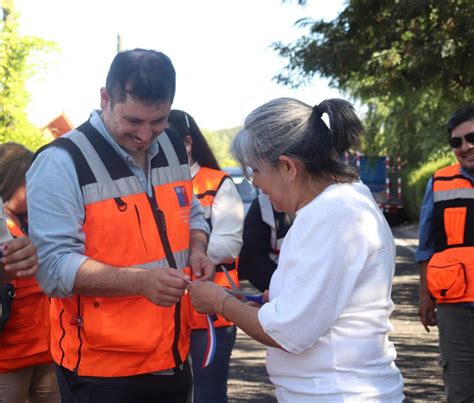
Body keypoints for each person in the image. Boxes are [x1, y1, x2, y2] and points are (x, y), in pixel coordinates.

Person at [26, 49, 214, 403]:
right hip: (101, 371)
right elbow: (52, 269)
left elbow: (191, 213)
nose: (145, 135)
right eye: (133, 121)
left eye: (157, 120)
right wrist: (142, 282)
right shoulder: (61, 162)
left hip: (173, 354)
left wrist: (199, 248)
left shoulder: (173, 146)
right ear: (105, 98)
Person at [188, 97, 405, 402]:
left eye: (255, 171)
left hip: (336, 392)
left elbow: (288, 333)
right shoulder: (343, 202)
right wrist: (280, 299)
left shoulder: (331, 215)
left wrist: (220, 302)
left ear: (288, 166)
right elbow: (324, 304)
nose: (255, 184)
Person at [168, 109, 244, 402]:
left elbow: (229, 244)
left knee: (207, 395)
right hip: (166, 311)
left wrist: (174, 250)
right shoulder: (153, 183)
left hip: (211, 311)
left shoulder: (217, 182)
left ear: (187, 144)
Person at [416, 104, 474, 402]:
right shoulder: (439, 183)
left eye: (471, 137)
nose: (465, 146)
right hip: (455, 305)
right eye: (457, 142)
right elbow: (426, 244)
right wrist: (425, 295)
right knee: (461, 390)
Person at [0, 142, 60, 403]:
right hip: (9, 357)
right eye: (30, 181)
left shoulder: (36, 220)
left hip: (47, 351)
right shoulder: (5, 224)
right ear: (11, 181)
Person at [238, 193, 294, 292]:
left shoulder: (322, 206)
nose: (254, 183)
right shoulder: (263, 205)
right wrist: (276, 289)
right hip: (278, 290)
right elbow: (251, 261)